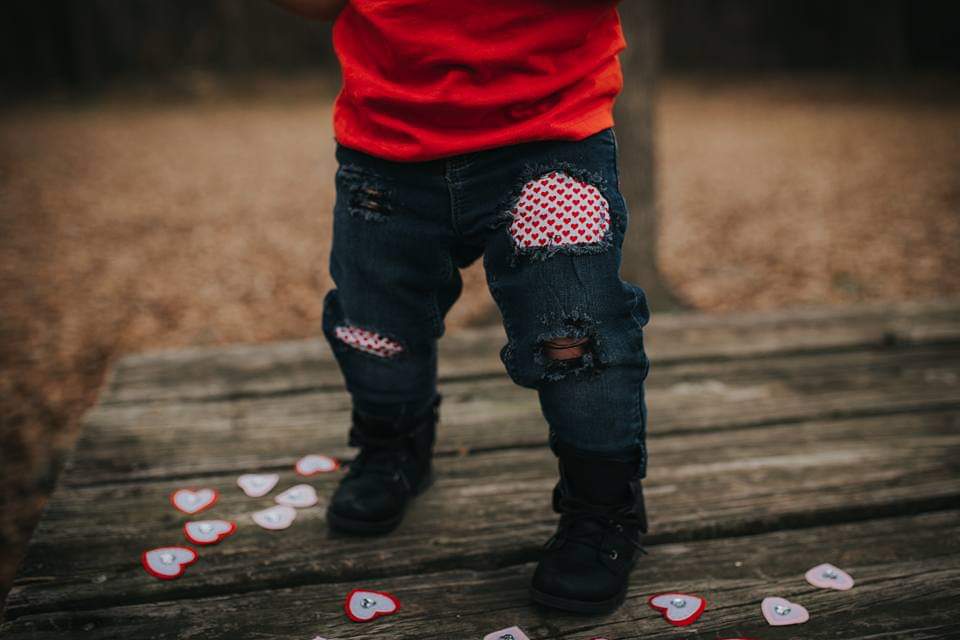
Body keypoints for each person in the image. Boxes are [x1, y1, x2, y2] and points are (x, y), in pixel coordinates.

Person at [272, 0, 651, 615]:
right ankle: (395, 448)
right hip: (385, 144)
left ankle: (604, 506)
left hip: (549, 135)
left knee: (573, 339)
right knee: (375, 326)